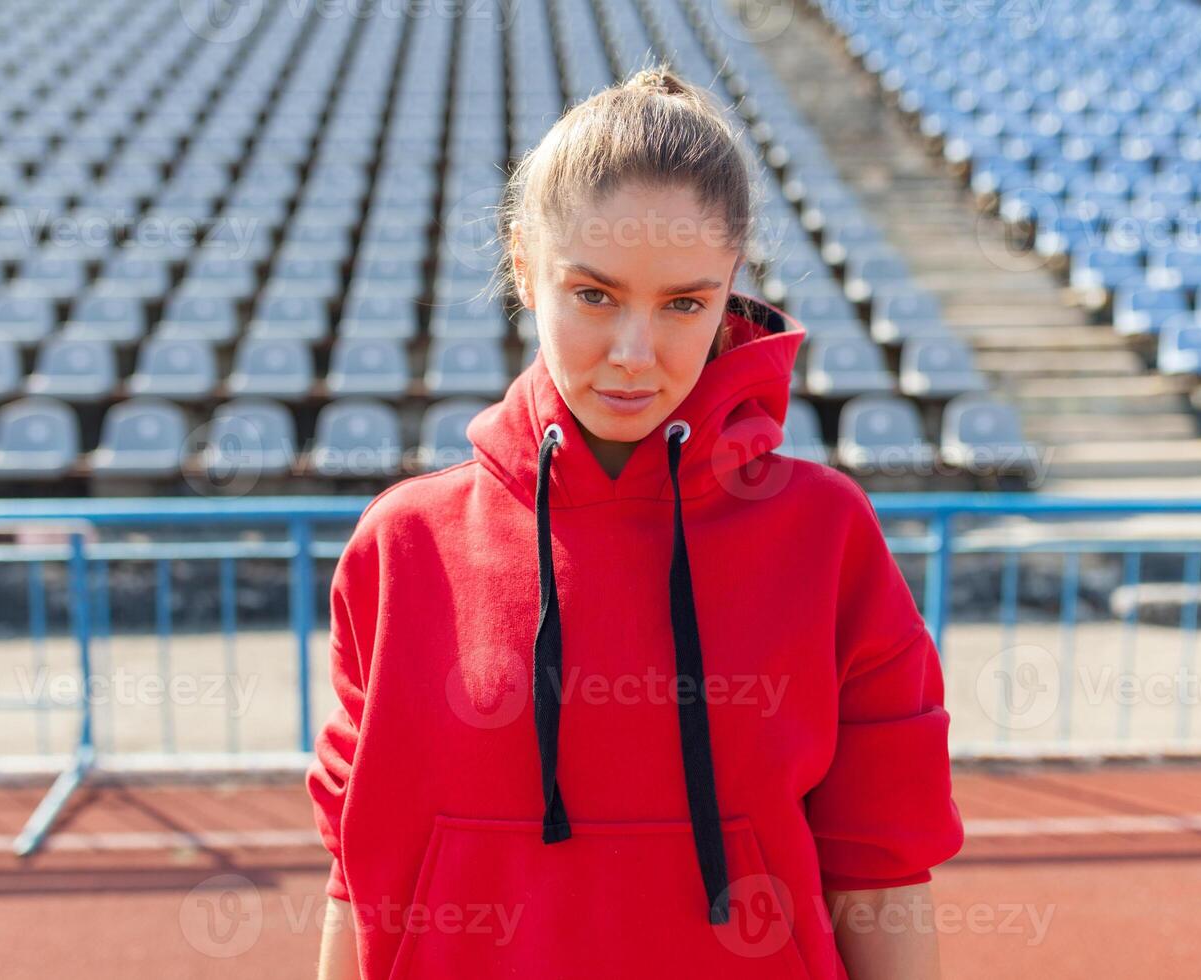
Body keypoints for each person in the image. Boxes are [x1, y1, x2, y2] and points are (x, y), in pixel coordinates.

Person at [309, 62, 964, 980]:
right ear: (524, 270)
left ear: (731, 287)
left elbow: (882, 868)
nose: (633, 356)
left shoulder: (827, 535)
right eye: (594, 295)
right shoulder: (404, 544)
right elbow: (359, 861)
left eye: (683, 304)